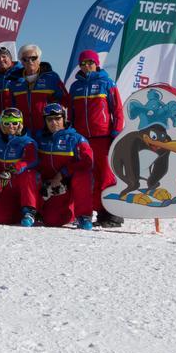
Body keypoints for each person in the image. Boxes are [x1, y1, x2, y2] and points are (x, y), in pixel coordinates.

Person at [68, 50, 125, 228]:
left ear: (97, 63)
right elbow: (71, 112)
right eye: (83, 63)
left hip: (103, 136)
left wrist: (116, 131)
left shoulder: (107, 83)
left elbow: (117, 110)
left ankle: (112, 214)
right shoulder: (75, 87)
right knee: (89, 176)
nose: (87, 66)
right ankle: (97, 212)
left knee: (106, 175)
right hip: (83, 138)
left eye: (90, 62)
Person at [35, 103, 95, 229]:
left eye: (58, 118)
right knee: (51, 221)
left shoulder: (76, 138)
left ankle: (83, 215)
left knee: (83, 175)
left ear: (64, 118)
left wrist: (63, 173)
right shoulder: (40, 139)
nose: (54, 123)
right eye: (50, 119)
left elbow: (88, 162)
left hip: (69, 182)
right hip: (52, 186)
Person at [0, 107, 40, 226]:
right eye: (6, 123)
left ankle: (30, 211)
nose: (11, 126)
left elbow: (31, 160)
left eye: (14, 123)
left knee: (28, 174)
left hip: (25, 185)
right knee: (1, 218)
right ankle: (18, 210)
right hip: (8, 186)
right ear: (1, 124)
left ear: (20, 124)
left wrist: (15, 168)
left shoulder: (27, 142)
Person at [5, 44, 68, 134]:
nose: (29, 61)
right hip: (24, 131)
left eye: (33, 58)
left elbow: (65, 100)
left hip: (47, 130)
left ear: (39, 59)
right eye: (25, 59)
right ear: (21, 62)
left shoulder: (51, 78)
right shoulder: (14, 81)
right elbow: (12, 106)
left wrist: (56, 119)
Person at [0, 46, 21, 115]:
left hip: (15, 120)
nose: (1, 59)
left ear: (10, 58)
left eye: (4, 56)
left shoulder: (21, 74)